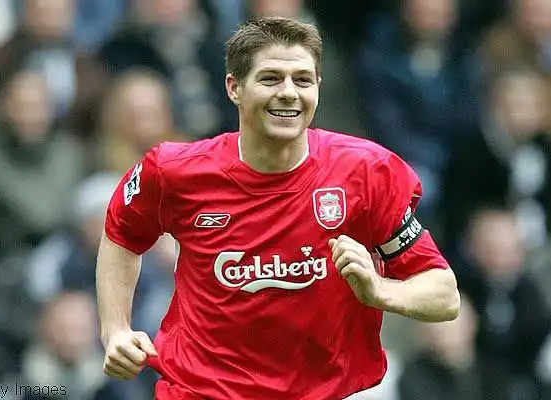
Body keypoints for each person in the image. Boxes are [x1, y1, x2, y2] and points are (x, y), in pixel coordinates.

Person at [96, 16, 460, 400]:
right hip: (200, 392)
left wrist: (381, 291)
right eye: (270, 78)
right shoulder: (173, 171)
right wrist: (115, 329)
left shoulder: (367, 173)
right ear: (234, 88)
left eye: (302, 80)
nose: (288, 92)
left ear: (318, 88)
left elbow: (444, 294)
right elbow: (122, 233)